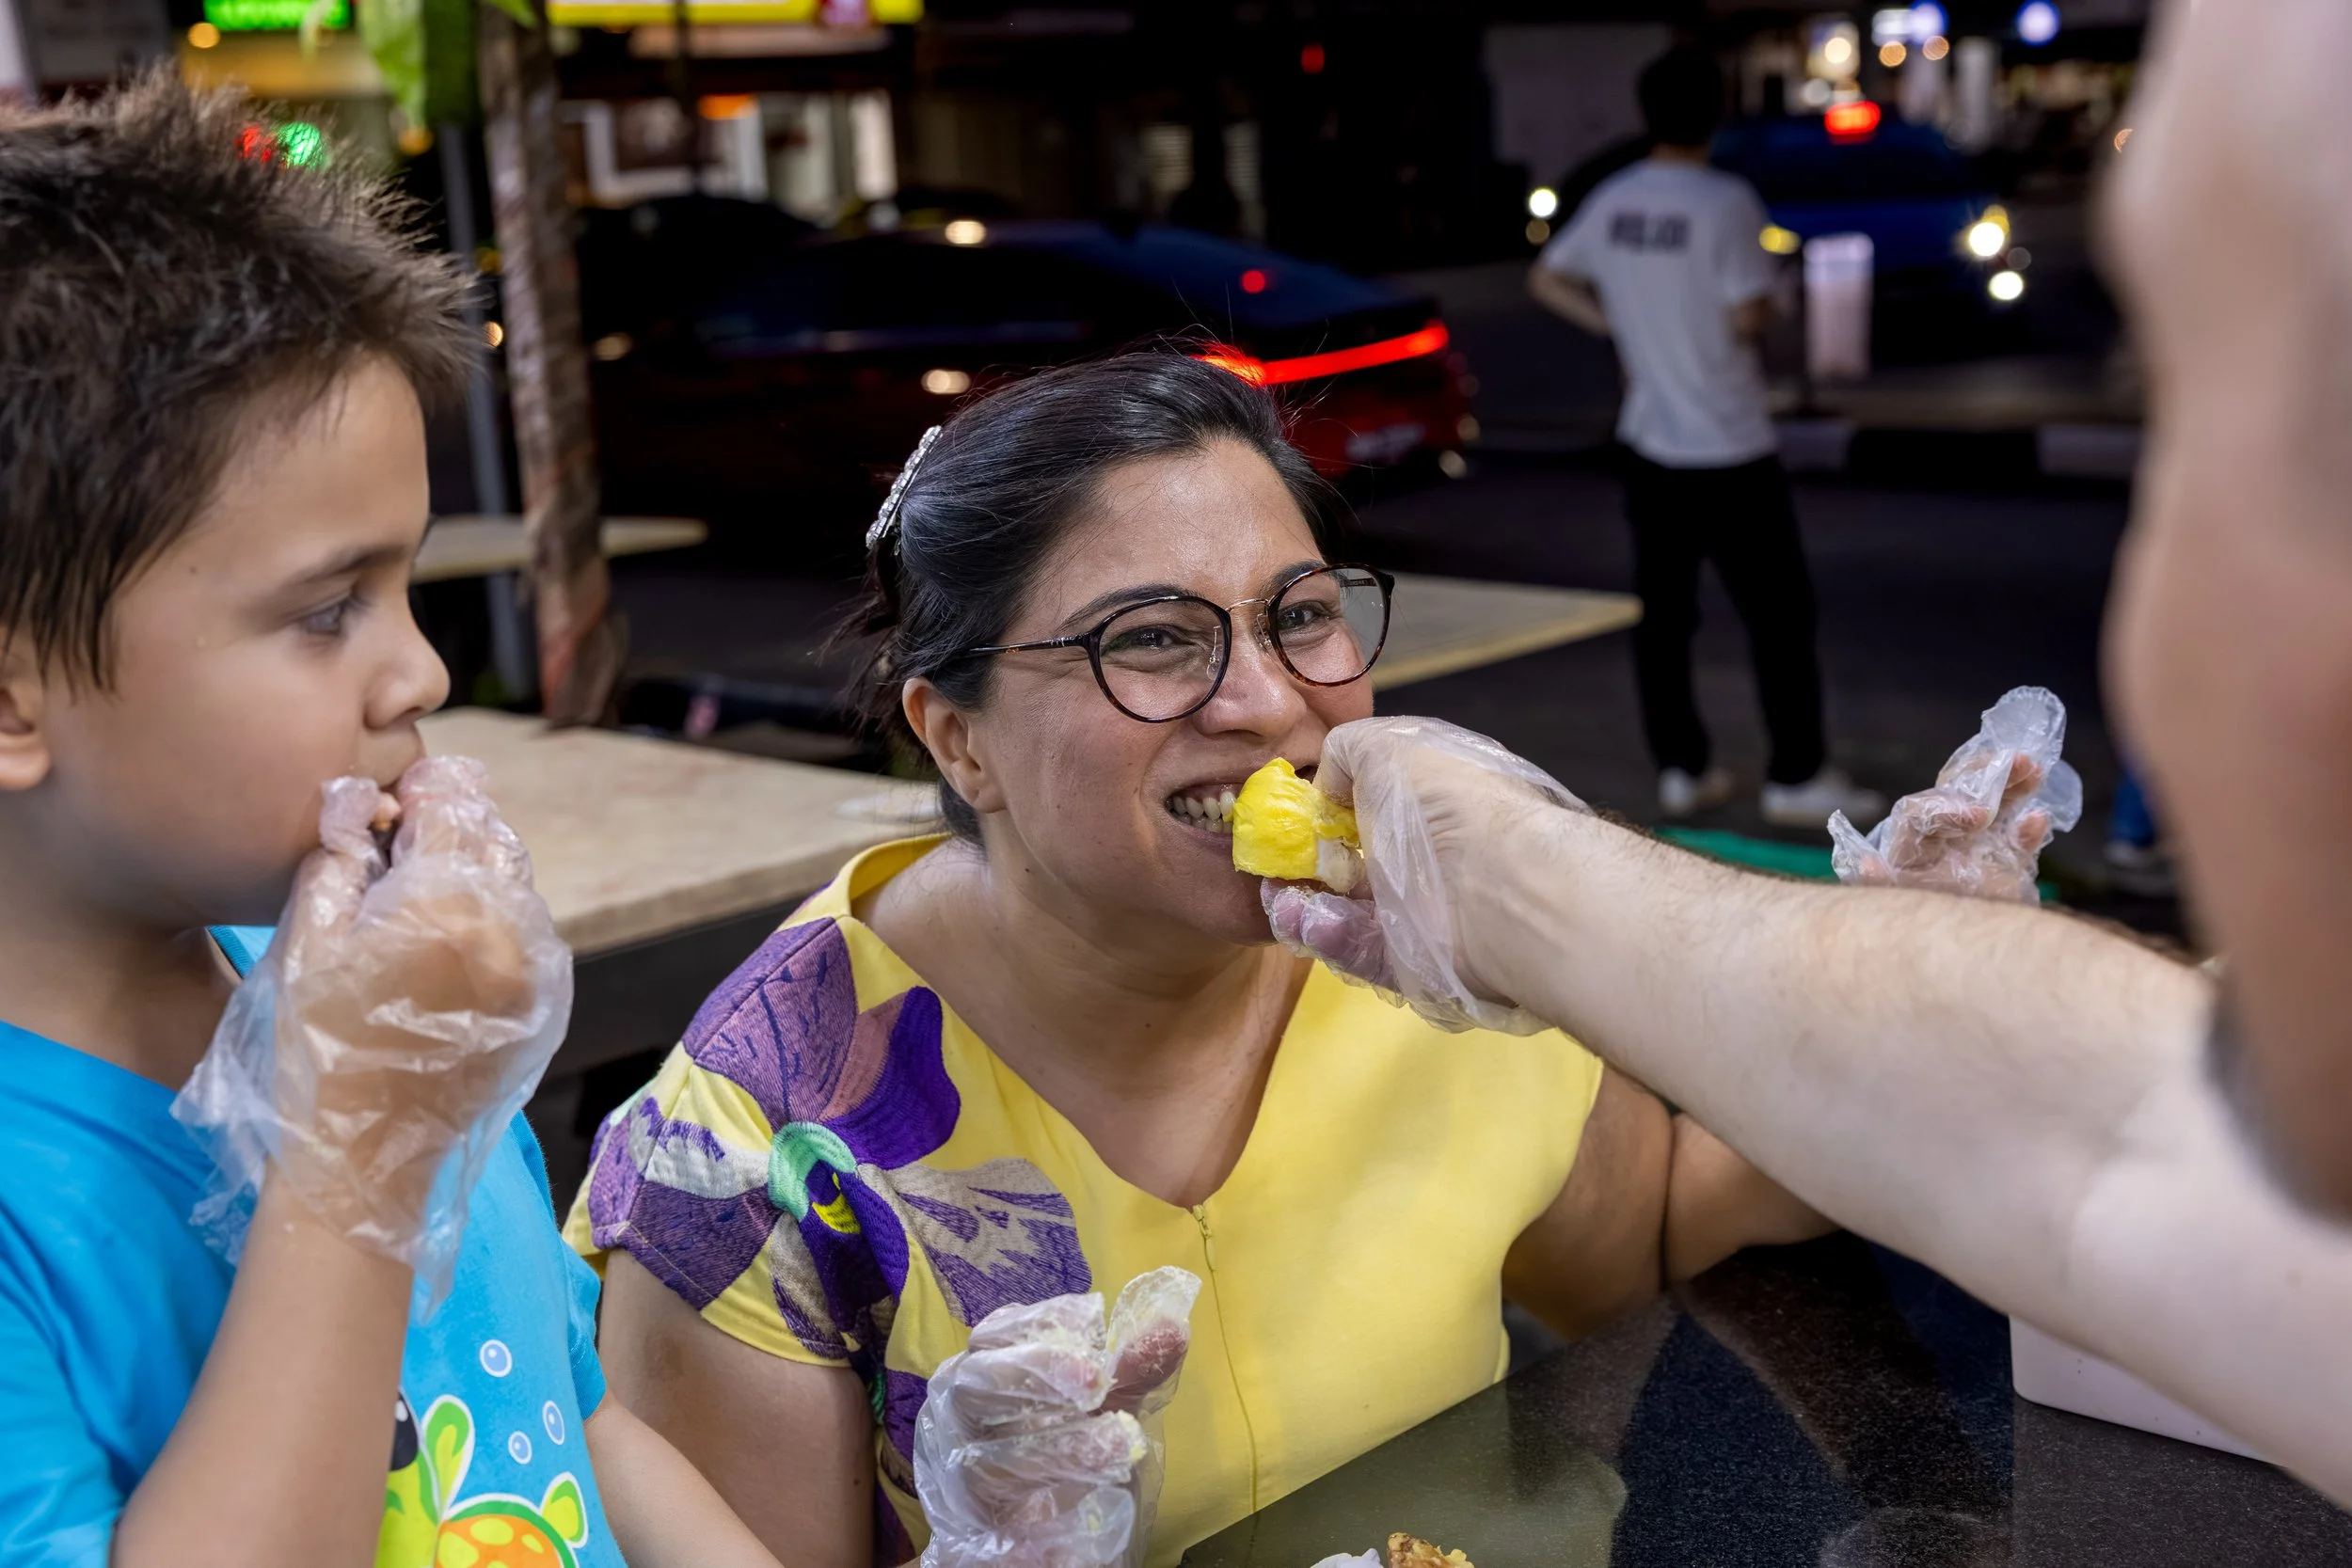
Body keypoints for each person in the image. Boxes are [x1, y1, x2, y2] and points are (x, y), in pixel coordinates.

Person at [1252, 0, 2352, 1500]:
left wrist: (1509, 869)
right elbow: (2119, 1139)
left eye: (2202, 415)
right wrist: (1521, 876)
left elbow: (2109, 1144)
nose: (2153, 638)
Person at [565, 351, 1831, 1567]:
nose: (1270, 702)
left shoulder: (1425, 950)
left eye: (1302, 614)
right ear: (959, 741)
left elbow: (1651, 1241)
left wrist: (1883, 969)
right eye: (1153, 637)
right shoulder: (747, 1158)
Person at [0, 78, 783, 1568]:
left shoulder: (378, 994)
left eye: (406, 586)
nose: (420, 671)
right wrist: (354, 1147)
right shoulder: (368, 1048)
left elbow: (575, 1416)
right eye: (325, 609)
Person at [1529, 47, 1882, 831]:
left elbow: (1547, 276)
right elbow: (1748, 313)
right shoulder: (1726, 203)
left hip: (1649, 444)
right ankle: (1796, 773)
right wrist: (1773, 301)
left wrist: (1618, 326)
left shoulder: (1616, 200)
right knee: (1780, 615)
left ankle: (1682, 769)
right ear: (1716, 113)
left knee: (1665, 618)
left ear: (1646, 112)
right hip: (1730, 444)